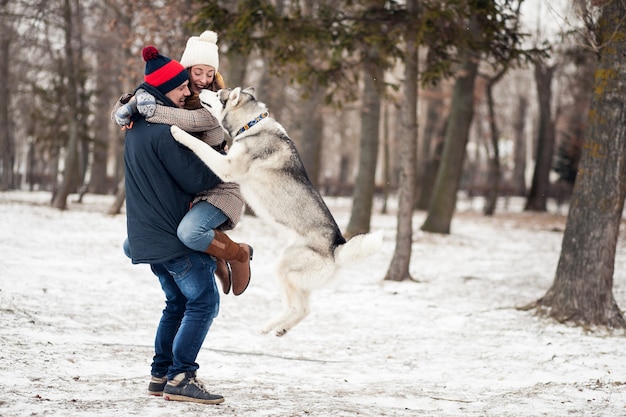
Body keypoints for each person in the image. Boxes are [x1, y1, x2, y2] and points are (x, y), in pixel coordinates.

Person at [123, 45, 227, 404]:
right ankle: (182, 377)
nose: (188, 92)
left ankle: (160, 374)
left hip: (148, 237)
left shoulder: (135, 126)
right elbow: (199, 180)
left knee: (176, 305)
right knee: (203, 303)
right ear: (164, 89)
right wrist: (225, 159)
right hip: (172, 237)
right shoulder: (166, 132)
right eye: (182, 87)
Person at [114, 31, 252, 296]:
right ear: (184, 70)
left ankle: (238, 254)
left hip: (218, 185)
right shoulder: (178, 94)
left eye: (209, 73)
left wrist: (141, 108)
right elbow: (124, 112)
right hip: (189, 186)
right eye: (197, 72)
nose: (203, 80)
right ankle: (215, 257)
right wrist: (128, 106)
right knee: (135, 243)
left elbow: (186, 121)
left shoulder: (215, 104)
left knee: (190, 233)